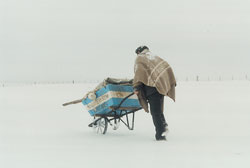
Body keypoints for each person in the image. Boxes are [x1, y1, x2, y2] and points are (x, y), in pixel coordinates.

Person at [133, 46, 176, 141]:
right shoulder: (155, 57)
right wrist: (167, 81)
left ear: (139, 51)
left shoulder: (140, 58)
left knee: (155, 112)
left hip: (151, 89)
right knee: (158, 110)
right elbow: (166, 66)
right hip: (160, 88)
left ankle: (160, 134)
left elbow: (139, 74)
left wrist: (137, 87)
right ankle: (164, 126)